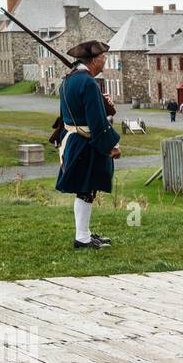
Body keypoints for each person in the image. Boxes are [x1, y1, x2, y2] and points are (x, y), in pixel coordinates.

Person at [55, 40, 121, 250]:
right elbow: (96, 122)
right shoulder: (89, 83)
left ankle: (84, 233)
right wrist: (111, 144)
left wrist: (103, 103)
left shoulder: (68, 80)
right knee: (85, 190)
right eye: (103, 58)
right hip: (86, 142)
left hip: (75, 140)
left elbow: (77, 111)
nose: (104, 62)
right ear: (93, 60)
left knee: (86, 190)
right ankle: (82, 237)